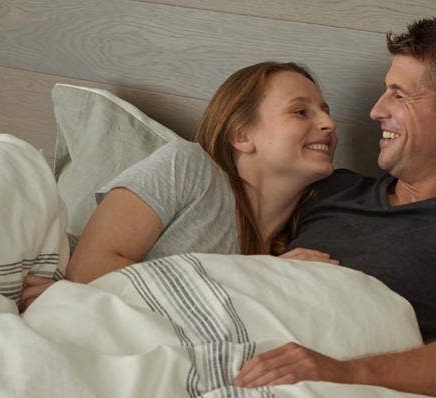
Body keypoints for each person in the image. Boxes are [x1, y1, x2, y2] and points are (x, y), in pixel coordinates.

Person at [232, 17, 436, 398]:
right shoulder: (332, 188)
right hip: (239, 353)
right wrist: (274, 270)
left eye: (399, 94)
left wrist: (341, 374)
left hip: (323, 395)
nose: (375, 110)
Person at [20, 62, 341, 309]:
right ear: (242, 136)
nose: (329, 124)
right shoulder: (189, 166)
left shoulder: (293, 248)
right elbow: (89, 269)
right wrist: (255, 279)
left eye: (325, 111)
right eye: (301, 112)